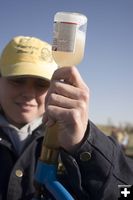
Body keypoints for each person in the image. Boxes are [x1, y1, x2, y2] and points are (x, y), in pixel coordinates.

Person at [0, 36, 133, 200]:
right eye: (17, 80)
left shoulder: (71, 137)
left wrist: (84, 145)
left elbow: (124, 190)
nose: (28, 93)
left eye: (41, 84)